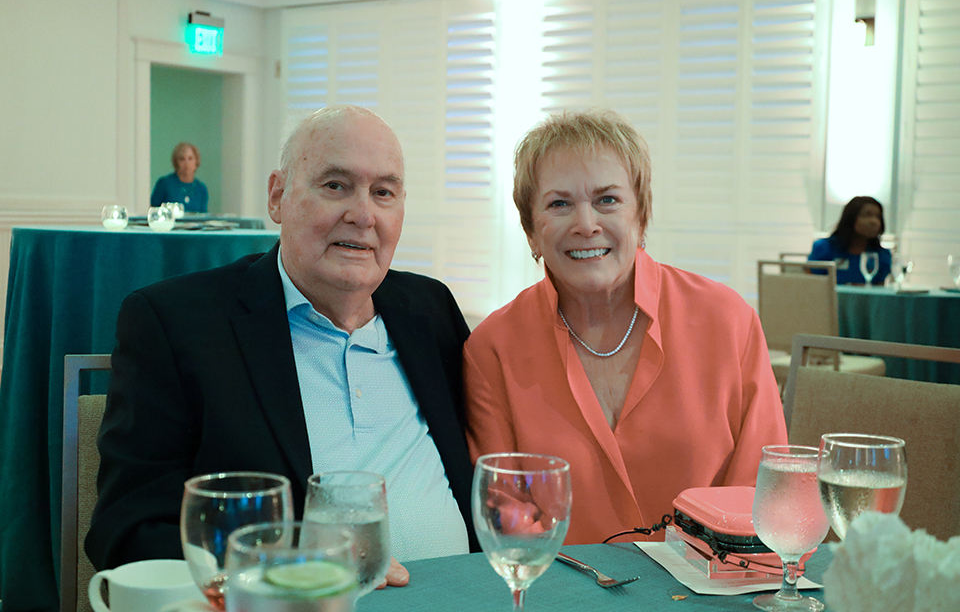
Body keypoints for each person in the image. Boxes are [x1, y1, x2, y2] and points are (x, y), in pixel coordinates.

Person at [87, 106, 477, 585]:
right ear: (277, 197)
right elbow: (127, 530)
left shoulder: (431, 311)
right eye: (335, 185)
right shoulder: (176, 323)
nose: (363, 215)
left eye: (383, 193)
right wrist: (280, 570)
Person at [463, 110, 787, 545]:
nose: (586, 224)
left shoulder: (728, 322)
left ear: (642, 216)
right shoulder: (493, 348)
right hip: (563, 582)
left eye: (607, 200)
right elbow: (509, 519)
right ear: (531, 232)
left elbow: (765, 493)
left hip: (715, 579)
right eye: (559, 204)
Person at [808, 196, 891, 285]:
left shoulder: (882, 255)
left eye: (878, 217)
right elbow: (811, 283)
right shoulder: (824, 248)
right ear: (851, 219)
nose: (874, 221)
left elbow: (879, 290)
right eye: (867, 215)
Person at [150, 141, 209, 213]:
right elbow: (154, 212)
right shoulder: (165, 184)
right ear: (176, 162)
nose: (187, 163)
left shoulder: (201, 189)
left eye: (190, 159)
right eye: (182, 159)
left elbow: (203, 215)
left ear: (196, 162)